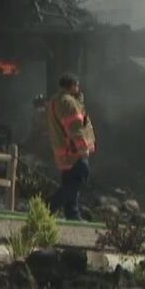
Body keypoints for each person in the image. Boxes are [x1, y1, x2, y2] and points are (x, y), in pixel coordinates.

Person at [46, 73, 95, 220]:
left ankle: (73, 214)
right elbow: (75, 128)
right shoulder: (68, 103)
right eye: (77, 85)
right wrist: (83, 148)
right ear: (72, 85)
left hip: (64, 153)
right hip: (74, 152)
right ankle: (47, 207)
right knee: (79, 179)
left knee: (70, 182)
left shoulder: (56, 100)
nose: (79, 88)